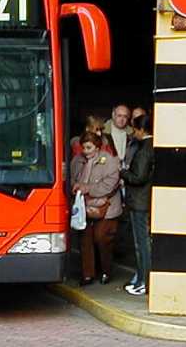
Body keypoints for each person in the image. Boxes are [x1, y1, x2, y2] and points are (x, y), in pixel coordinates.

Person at [71, 131, 122, 286]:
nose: (85, 151)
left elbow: (109, 184)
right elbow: (72, 178)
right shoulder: (77, 160)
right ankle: (88, 274)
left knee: (102, 238)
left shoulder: (110, 162)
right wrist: (75, 186)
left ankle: (106, 271)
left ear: (98, 147)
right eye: (84, 148)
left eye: (89, 148)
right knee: (85, 240)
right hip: (84, 206)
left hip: (106, 207)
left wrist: (87, 188)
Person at [120, 114, 154, 296]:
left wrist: (123, 173)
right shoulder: (152, 147)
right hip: (144, 200)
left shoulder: (144, 149)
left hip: (139, 201)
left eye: (135, 129)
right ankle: (143, 280)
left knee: (141, 244)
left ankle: (143, 281)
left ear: (142, 130)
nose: (134, 132)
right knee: (143, 243)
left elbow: (138, 177)